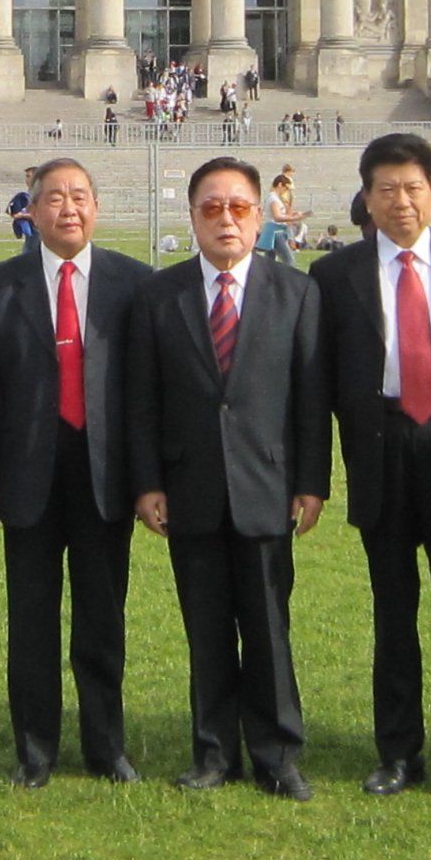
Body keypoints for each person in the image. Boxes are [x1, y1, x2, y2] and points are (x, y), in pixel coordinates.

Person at [310, 134, 431, 806]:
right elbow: (320, 385)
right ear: (366, 198)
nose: (401, 201)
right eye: (387, 189)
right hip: (382, 449)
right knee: (394, 615)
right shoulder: (335, 276)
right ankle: (398, 752)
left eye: (413, 188)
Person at [127, 157, 328, 802]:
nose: (226, 220)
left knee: (269, 628)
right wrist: (147, 483)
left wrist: (312, 483)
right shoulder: (160, 295)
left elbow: (310, 398)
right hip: (190, 489)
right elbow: (142, 401)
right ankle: (213, 752)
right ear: (192, 217)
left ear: (259, 214)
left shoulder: (295, 292)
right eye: (211, 208)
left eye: (238, 207)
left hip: (267, 487)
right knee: (207, 630)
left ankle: (277, 754)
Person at [0, 160, 152, 788]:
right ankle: (35, 749)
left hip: (104, 476)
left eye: (79, 197)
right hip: (27, 474)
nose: (67, 209)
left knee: (102, 618)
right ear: (32, 210)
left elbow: (144, 395)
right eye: (53, 198)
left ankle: (106, 746)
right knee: (32, 619)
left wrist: (146, 480)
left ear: (96, 207)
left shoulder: (134, 283)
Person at [261, 173, 301, 265]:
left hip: (272, 231)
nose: (286, 191)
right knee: (289, 260)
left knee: (269, 261)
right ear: (280, 185)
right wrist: (293, 217)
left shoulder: (273, 198)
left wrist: (292, 214)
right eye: (285, 188)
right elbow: (277, 217)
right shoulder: (273, 199)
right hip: (276, 232)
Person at [7, 168, 39, 245]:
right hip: (30, 235)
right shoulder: (25, 196)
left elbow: (43, 215)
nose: (26, 179)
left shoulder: (42, 195)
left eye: (28, 176)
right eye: (26, 176)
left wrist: (22, 215)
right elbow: (11, 211)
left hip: (40, 234)